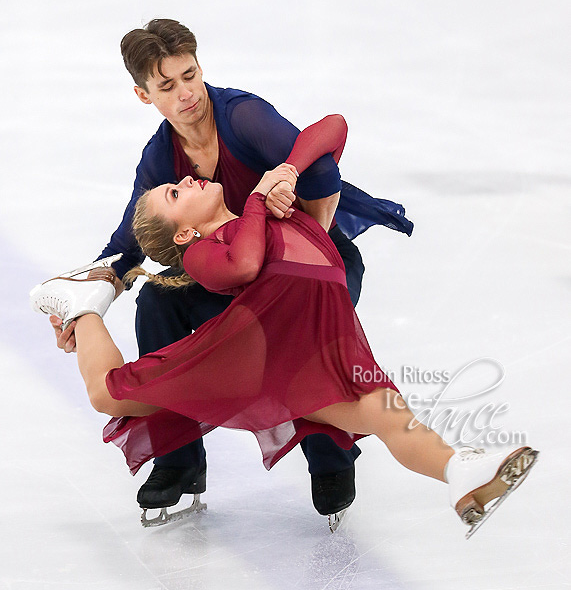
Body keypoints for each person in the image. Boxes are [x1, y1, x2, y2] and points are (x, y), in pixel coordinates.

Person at [31, 114, 537, 538]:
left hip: (321, 354)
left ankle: (459, 470)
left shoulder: (280, 208)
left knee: (389, 415)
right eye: (174, 192)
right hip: (251, 356)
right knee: (110, 394)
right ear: (184, 231)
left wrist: (288, 170)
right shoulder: (207, 252)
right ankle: (84, 307)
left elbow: (334, 127)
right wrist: (255, 198)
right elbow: (246, 265)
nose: (184, 179)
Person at [49, 18, 414, 522]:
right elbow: (130, 240)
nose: (186, 94)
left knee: (290, 335)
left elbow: (323, 168)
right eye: (167, 86)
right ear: (142, 94)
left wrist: (311, 230)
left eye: (190, 75)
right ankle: (178, 460)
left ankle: (331, 459)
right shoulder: (162, 158)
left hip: (312, 272)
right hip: (236, 273)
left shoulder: (242, 118)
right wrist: (92, 294)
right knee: (158, 300)